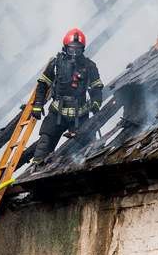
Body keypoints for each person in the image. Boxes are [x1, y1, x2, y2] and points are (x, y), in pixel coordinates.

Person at [30, 28, 103, 163]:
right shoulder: (56, 63)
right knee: (44, 144)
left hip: (80, 114)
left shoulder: (89, 66)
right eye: (71, 49)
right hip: (57, 112)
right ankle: (36, 170)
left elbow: (97, 87)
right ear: (65, 48)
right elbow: (42, 84)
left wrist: (96, 103)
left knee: (88, 147)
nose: (75, 53)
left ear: (83, 49)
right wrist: (37, 105)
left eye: (78, 49)